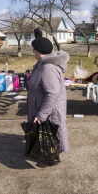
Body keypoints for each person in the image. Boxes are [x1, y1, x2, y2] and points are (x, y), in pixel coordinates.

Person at [27, 37, 70, 166]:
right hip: (42, 106)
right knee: (46, 133)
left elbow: (52, 93)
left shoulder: (48, 68)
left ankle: (51, 156)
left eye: (34, 49)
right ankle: (47, 154)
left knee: (50, 133)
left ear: (38, 51)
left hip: (48, 110)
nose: (33, 52)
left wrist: (42, 114)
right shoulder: (42, 64)